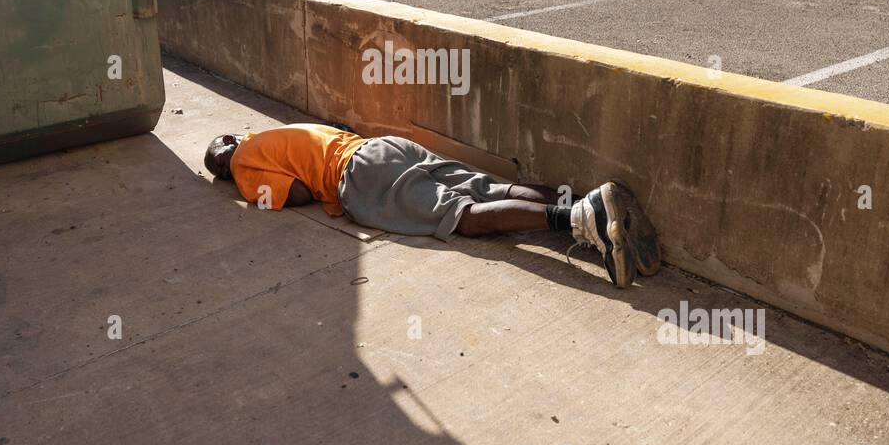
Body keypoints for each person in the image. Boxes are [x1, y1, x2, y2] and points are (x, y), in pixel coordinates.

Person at [204, 123, 660, 288]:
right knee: (488, 188)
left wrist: (251, 188)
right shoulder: (265, 134)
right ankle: (593, 204)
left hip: (359, 178)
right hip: (383, 146)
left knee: (460, 217)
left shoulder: (243, 163)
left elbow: (296, 195)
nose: (226, 170)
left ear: (225, 157)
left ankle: (580, 219)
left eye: (220, 165)